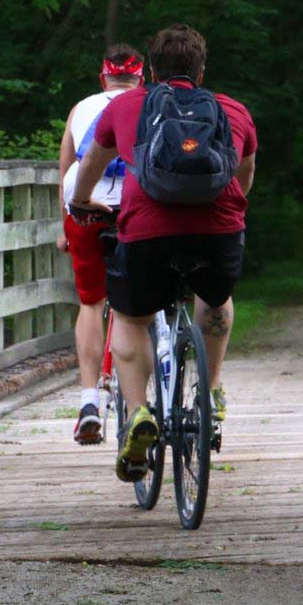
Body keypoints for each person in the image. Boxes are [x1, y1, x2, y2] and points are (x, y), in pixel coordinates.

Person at [71, 24, 257, 482]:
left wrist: (80, 202)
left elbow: (91, 163)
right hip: (217, 234)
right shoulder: (233, 111)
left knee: (132, 316)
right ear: (202, 69)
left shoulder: (130, 105)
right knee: (214, 299)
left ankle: (138, 415)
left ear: (151, 70)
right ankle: (210, 392)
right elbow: (244, 177)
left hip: (147, 234)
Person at [57, 44, 145, 444]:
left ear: (103, 77)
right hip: (137, 210)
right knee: (145, 300)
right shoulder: (150, 104)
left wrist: (65, 226)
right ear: (142, 78)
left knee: (91, 302)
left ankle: (89, 402)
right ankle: (147, 394)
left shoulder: (81, 108)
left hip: (87, 209)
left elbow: (66, 171)